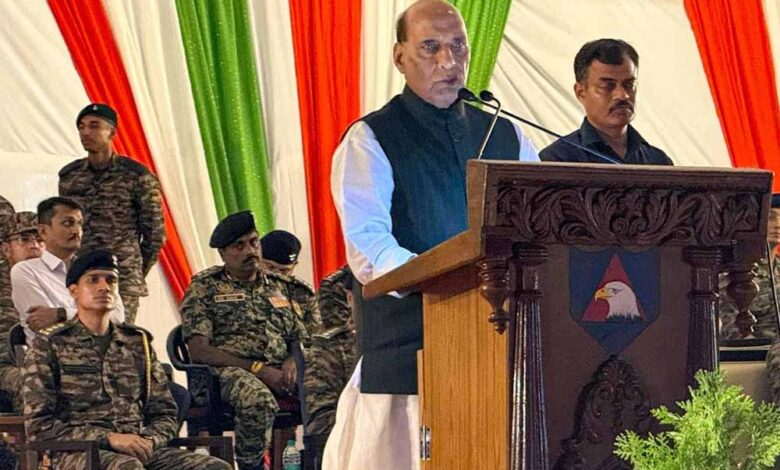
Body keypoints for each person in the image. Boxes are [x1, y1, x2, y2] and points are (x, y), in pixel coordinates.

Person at [327, 1, 539, 468]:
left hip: (498, 348)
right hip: (410, 355)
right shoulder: (370, 138)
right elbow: (369, 249)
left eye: (458, 46)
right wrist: (448, 281)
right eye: (430, 47)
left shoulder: (507, 136)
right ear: (399, 57)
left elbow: (539, 230)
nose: (448, 61)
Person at [21, 250, 231, 470]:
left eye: (111, 280)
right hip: (78, 452)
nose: (104, 287)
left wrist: (149, 440)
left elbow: (165, 411)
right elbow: (39, 425)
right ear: (74, 291)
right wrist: (108, 438)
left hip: (137, 447)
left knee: (215, 468)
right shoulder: (50, 344)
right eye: (93, 280)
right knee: (127, 467)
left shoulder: (136, 342)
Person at [180, 211, 308, 470]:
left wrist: (293, 360)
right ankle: (252, 466)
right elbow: (199, 350)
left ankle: (319, 461)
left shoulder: (282, 286)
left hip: (281, 370)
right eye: (239, 246)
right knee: (258, 400)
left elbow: (302, 336)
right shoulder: (205, 287)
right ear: (223, 254)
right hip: (226, 373)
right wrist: (259, 369)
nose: (250, 251)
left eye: (253, 242)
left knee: (331, 391)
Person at [59, 103, 165, 324]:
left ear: (112, 132)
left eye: (94, 126)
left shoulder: (136, 175)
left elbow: (155, 233)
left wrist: (134, 269)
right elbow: (65, 225)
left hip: (121, 275)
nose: (85, 132)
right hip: (82, 272)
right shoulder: (70, 176)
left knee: (119, 336)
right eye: (81, 127)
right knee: (80, 335)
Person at [539, 39, 673, 165]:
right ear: (581, 92)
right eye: (607, 86)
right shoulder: (557, 160)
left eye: (629, 85)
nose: (622, 95)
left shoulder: (658, 161)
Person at [11, 197, 124, 343]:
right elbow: (43, 325)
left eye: (79, 224)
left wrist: (62, 313)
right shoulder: (26, 271)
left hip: (103, 350)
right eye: (68, 223)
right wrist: (95, 315)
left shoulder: (94, 269)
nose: (76, 231)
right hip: (53, 353)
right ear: (43, 231)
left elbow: (118, 318)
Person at [304, 266, 358, 442]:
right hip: (351, 443)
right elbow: (321, 423)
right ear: (350, 299)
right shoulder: (330, 347)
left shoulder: (406, 342)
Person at [0, 212, 43, 412]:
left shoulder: (62, 282)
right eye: (24, 239)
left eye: (40, 240)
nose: (34, 245)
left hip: (48, 363)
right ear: (6, 249)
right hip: (5, 367)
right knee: (32, 384)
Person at [261, 230, 321, 341]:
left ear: (295, 265)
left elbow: (316, 336)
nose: (276, 275)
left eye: (284, 271)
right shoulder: (240, 286)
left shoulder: (302, 292)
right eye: (270, 267)